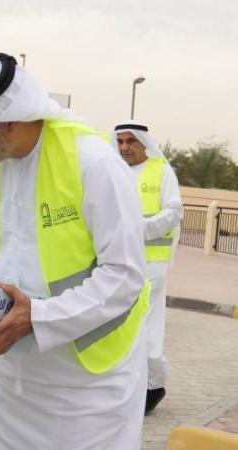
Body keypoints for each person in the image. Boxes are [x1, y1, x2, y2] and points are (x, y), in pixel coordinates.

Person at [0, 53, 151, 449]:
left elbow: (124, 276)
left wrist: (39, 316)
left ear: (10, 120)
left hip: (89, 382)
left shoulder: (93, 161)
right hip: (14, 372)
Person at [114, 120, 183, 415]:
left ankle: (152, 386)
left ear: (145, 143)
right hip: (116, 262)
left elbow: (174, 211)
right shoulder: (114, 172)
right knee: (118, 328)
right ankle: (124, 385)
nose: (125, 147)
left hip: (150, 266)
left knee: (147, 329)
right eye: (121, 142)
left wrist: (138, 229)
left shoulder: (161, 171)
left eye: (131, 141)